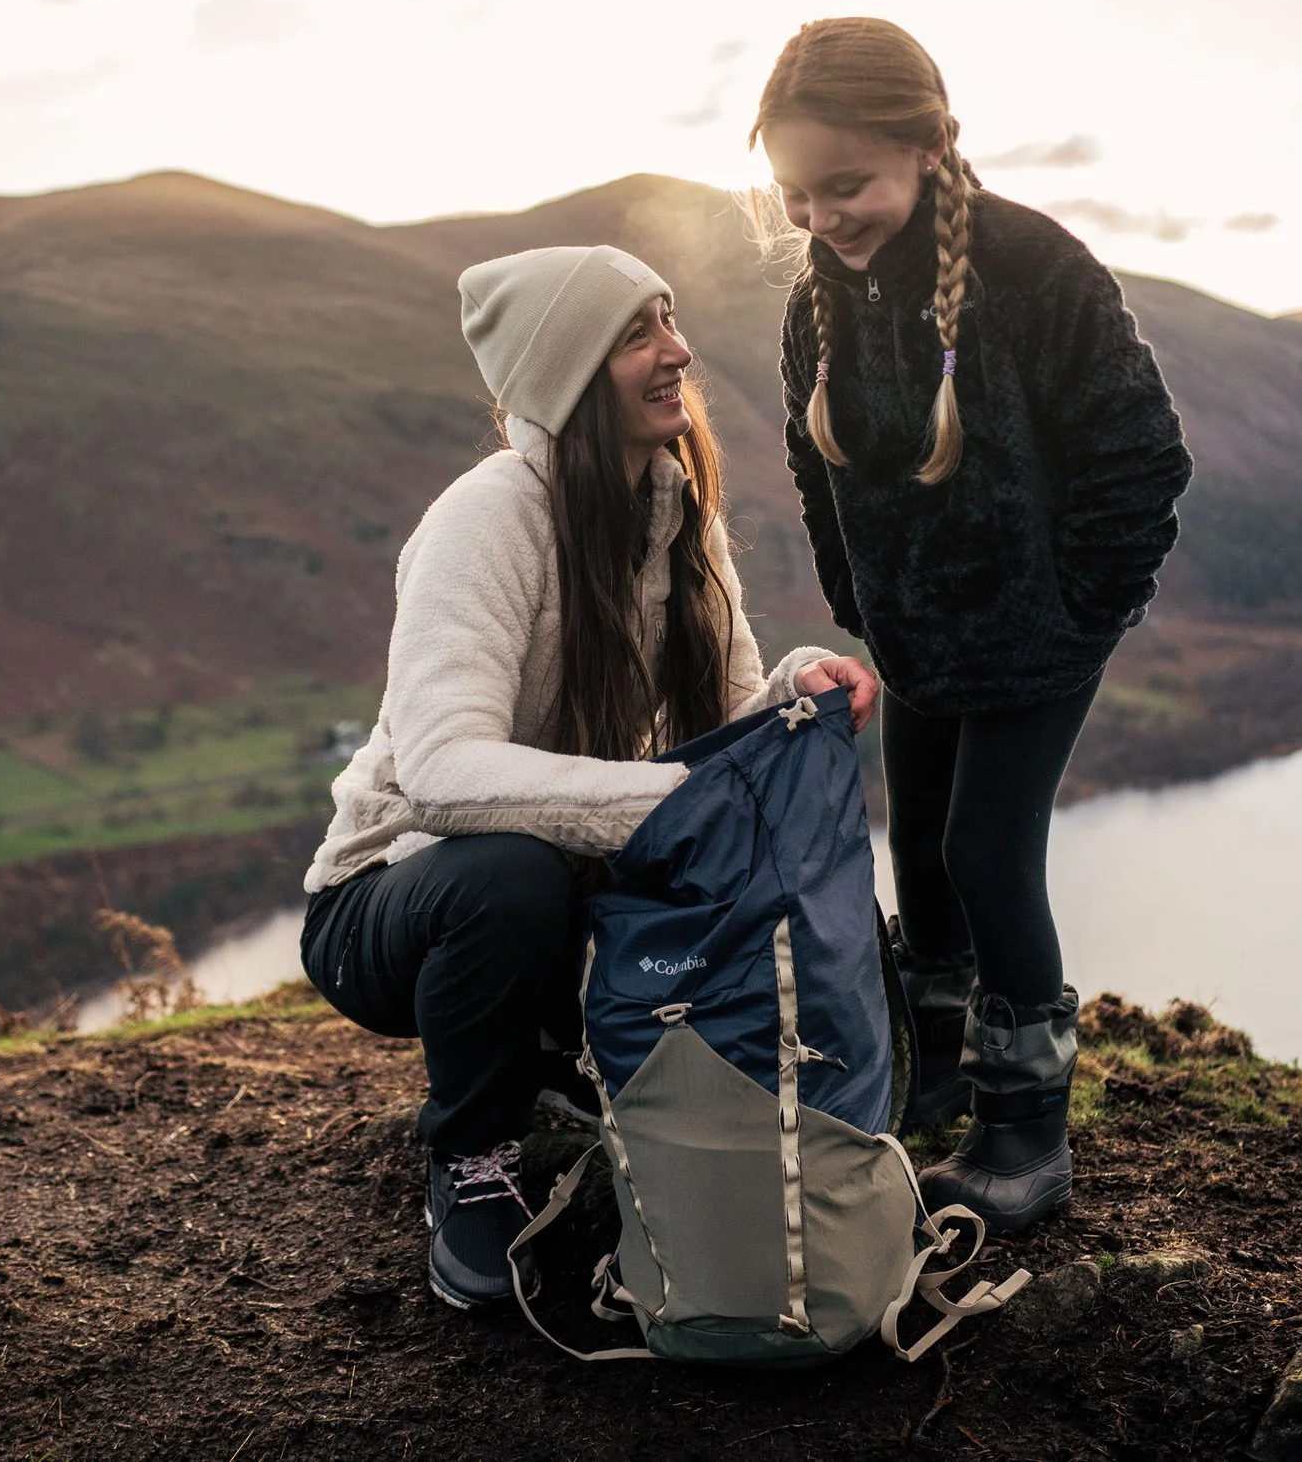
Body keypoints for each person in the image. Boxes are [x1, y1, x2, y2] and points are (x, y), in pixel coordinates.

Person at [299, 244, 878, 1311]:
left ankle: (611, 1077)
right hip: (396, 901)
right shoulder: (487, 518)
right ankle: (472, 1152)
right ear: (570, 371)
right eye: (638, 333)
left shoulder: (674, 511)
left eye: (671, 319)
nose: (679, 351)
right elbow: (437, 771)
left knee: (744, 835)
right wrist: (665, 803)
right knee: (508, 876)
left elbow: (725, 724)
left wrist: (798, 690)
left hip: (567, 879)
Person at [750, 18, 1193, 1231]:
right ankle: (934, 1071)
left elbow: (1141, 455)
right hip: (920, 636)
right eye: (796, 194)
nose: (822, 217)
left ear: (929, 146)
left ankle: (1023, 1130)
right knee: (923, 860)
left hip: (1034, 636)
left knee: (989, 858)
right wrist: (864, 599)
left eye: (848, 186)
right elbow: (811, 460)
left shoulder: (1034, 267)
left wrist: (1078, 608)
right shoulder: (816, 305)